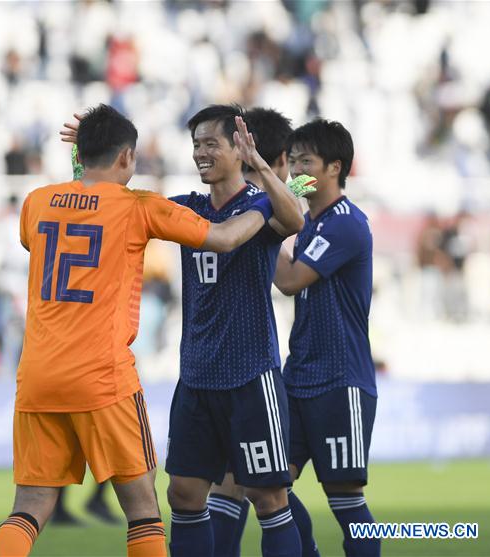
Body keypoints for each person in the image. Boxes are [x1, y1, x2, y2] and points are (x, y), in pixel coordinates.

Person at [0, 104, 280, 557]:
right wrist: (266, 200)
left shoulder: (36, 201)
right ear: (126, 157)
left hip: (37, 377)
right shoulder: (137, 206)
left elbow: (41, 234)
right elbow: (224, 238)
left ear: (80, 154)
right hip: (103, 377)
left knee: (28, 507)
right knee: (143, 511)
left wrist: (81, 173)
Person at [163, 104, 305, 557]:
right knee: (183, 493)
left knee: (269, 497)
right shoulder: (187, 207)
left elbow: (296, 220)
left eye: (211, 143)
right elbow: (132, 209)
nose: (200, 153)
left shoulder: (259, 204)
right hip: (196, 377)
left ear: (237, 149)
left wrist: (259, 163)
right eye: (196, 144)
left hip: (250, 377)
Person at [273, 119, 379, 557]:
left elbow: (291, 280)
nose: (297, 170)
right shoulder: (310, 223)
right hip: (299, 375)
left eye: (306, 161)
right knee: (269, 484)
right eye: (293, 161)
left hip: (340, 379)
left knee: (345, 499)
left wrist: (262, 233)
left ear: (334, 167)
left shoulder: (345, 224)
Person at [205, 106, 304, 557]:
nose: (295, 172)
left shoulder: (235, 205)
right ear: (280, 158)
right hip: (251, 371)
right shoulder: (262, 205)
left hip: (226, 369)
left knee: (246, 487)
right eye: (293, 162)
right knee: (260, 490)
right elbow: (288, 279)